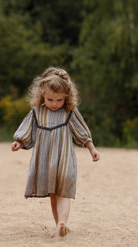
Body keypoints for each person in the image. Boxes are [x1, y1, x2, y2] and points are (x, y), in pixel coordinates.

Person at [11, 67, 100, 237]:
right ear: (42, 95)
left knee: (63, 191)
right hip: (45, 160)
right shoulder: (37, 113)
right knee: (53, 194)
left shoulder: (69, 112)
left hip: (64, 159)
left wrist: (92, 149)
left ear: (67, 97)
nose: (54, 103)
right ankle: (59, 225)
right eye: (50, 99)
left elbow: (82, 132)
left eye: (59, 100)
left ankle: (63, 221)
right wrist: (18, 142)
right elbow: (26, 131)